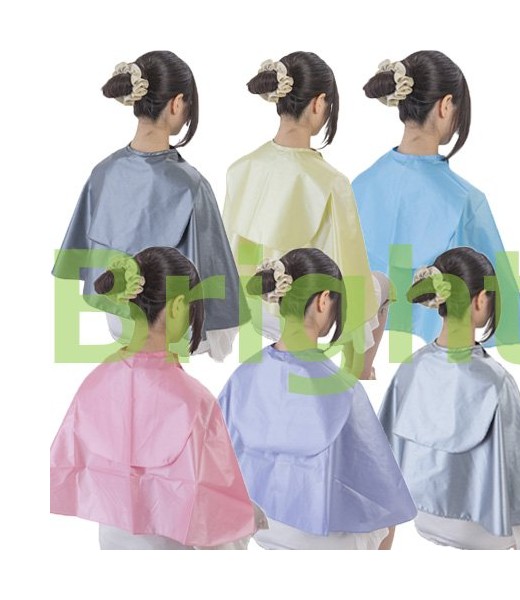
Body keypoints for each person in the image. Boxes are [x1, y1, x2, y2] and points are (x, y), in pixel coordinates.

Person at [51, 247, 263, 549]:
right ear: (177, 306)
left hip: (113, 542)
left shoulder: (95, 384)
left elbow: (68, 465)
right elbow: (217, 512)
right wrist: (251, 517)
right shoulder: (194, 401)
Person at [52, 50, 246, 360]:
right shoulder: (191, 185)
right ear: (177, 103)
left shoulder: (103, 173)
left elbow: (87, 256)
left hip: (117, 322)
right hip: (167, 327)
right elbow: (215, 290)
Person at [218, 248, 416, 550]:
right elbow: (383, 489)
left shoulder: (242, 376)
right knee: (388, 516)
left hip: (259, 523)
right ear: (324, 300)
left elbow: (220, 454)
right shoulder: (343, 388)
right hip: (318, 538)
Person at [223, 51, 391, 379]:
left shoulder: (240, 169)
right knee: (382, 285)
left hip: (251, 305)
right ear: (319, 103)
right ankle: (359, 375)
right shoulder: (330, 182)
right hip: (307, 312)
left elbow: (228, 246)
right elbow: (351, 275)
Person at [353, 50, 520, 347]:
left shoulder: (359, 186)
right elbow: (497, 298)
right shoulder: (465, 201)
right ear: (446, 105)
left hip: (365, 340)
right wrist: (519, 313)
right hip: (441, 347)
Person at [378, 247, 520, 550]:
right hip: (482, 526)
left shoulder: (410, 368)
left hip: (420, 514)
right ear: (481, 300)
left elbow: (384, 455)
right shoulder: (496, 381)